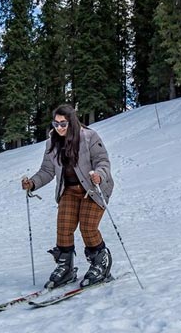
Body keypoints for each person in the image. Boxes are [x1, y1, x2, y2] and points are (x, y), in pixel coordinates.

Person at [22, 104, 115, 288]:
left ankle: (100, 264)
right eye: (55, 124)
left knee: (88, 228)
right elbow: (47, 170)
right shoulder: (52, 143)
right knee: (63, 228)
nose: (59, 128)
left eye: (63, 124)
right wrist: (32, 183)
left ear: (72, 122)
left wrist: (99, 174)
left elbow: (102, 161)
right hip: (69, 190)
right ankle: (66, 268)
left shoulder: (89, 137)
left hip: (93, 189)